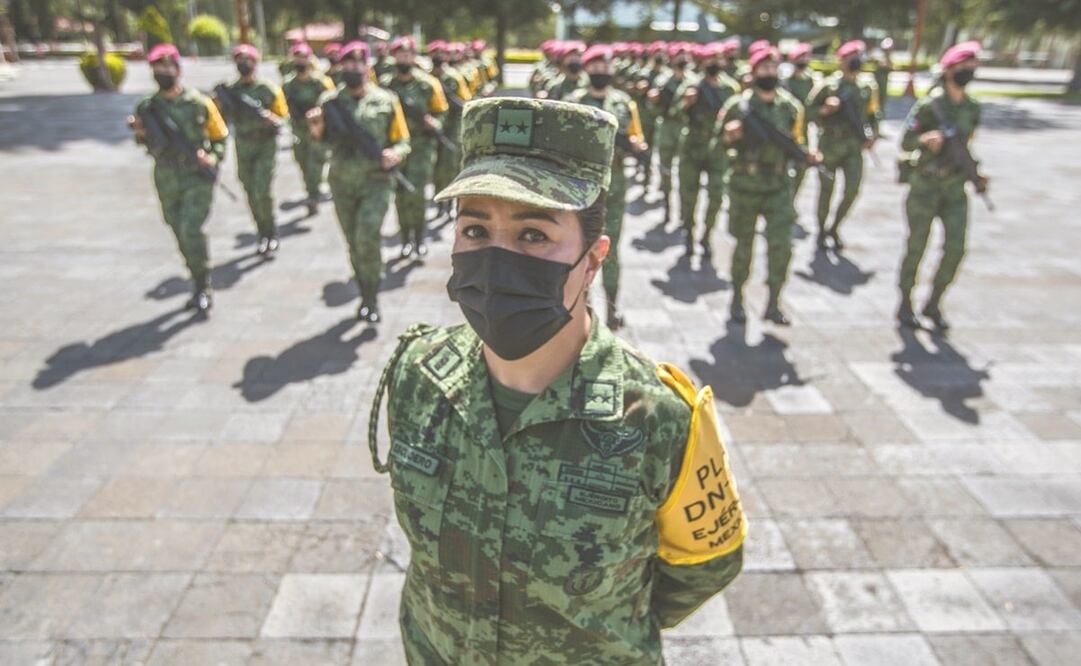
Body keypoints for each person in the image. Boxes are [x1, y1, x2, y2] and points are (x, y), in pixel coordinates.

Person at [368, 95, 745, 664]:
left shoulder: (659, 419)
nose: (496, 260)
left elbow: (705, 564)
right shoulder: (418, 376)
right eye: (475, 229)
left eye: (534, 235)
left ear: (594, 258)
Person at [306, 41, 411, 323]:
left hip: (375, 182)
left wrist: (395, 154)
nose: (353, 68)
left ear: (368, 66)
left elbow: (402, 141)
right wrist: (315, 132)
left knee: (367, 236)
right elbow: (319, 151)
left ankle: (373, 295)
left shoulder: (387, 100)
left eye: (358, 62)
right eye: (347, 63)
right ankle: (364, 292)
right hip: (342, 183)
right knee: (353, 241)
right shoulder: (329, 103)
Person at [719, 47, 817, 325]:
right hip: (744, 186)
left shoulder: (790, 107)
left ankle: (773, 302)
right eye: (764, 69)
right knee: (743, 246)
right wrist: (729, 137)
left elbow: (798, 145)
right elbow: (719, 146)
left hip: (777, 187)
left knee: (781, 247)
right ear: (753, 72)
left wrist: (807, 156)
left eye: (774, 68)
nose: (770, 74)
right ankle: (737, 298)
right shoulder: (737, 106)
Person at [128, 43, 228, 315]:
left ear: (178, 69)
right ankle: (196, 276)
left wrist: (213, 158)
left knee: (190, 228)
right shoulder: (147, 106)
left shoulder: (199, 103)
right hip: (166, 175)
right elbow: (145, 142)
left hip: (196, 176)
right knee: (176, 228)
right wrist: (139, 131)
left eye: (167, 66)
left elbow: (220, 138)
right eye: (157, 68)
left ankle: (202, 284)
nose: (162, 72)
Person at [897, 41, 988, 331]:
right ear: (949, 70)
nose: (969, 71)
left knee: (956, 248)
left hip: (954, 189)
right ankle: (905, 302)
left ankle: (934, 301)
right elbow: (906, 141)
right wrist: (925, 139)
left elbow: (964, 147)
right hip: (925, 185)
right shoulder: (930, 106)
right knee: (917, 247)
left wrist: (976, 174)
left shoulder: (972, 108)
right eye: (964, 66)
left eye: (973, 66)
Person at [570, 45, 648, 330]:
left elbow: (636, 135)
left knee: (610, 249)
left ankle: (612, 307)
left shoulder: (623, 103)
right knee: (579, 249)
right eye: (596, 67)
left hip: (613, 189)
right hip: (580, 190)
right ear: (587, 69)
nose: (602, 72)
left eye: (606, 67)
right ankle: (582, 306)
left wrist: (637, 146)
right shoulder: (574, 102)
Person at [805, 40, 880, 250]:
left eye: (859, 56)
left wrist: (873, 134)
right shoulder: (828, 87)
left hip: (853, 147)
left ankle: (834, 227)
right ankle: (821, 230)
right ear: (841, 61)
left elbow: (874, 114)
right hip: (829, 144)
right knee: (826, 190)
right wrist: (825, 110)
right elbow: (808, 112)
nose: (856, 61)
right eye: (851, 57)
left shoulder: (867, 87)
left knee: (852, 191)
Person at [216, 44, 288, 257]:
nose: (244, 63)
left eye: (248, 59)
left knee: (261, 189)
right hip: (244, 145)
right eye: (239, 59)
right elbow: (222, 119)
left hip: (265, 145)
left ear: (256, 63)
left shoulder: (268, 89)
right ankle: (261, 231)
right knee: (249, 190)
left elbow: (283, 117)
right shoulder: (231, 90)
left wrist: (269, 118)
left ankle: (271, 231)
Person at [382, 36, 449, 259]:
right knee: (400, 195)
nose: (404, 58)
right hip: (396, 148)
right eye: (400, 55)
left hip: (421, 147)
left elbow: (442, 113)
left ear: (414, 56)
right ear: (394, 57)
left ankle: (419, 238)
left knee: (417, 194)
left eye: (408, 55)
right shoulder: (385, 84)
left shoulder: (428, 84)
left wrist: (434, 123)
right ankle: (405, 240)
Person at [676, 41, 740, 260]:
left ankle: (706, 234)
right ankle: (689, 233)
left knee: (716, 196)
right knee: (688, 195)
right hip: (692, 147)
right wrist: (686, 102)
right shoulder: (691, 86)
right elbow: (674, 113)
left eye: (718, 59)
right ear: (703, 62)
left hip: (717, 150)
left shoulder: (730, 88)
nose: (715, 63)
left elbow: (738, 116)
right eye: (710, 59)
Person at [282, 42, 334, 215]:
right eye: (297, 57)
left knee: (315, 166)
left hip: (318, 132)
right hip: (299, 132)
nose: (300, 61)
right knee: (303, 164)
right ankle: (311, 191)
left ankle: (313, 196)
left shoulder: (321, 82)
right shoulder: (288, 84)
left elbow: (334, 104)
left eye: (303, 57)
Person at [428, 39, 474, 220]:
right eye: (435, 54)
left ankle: (449, 203)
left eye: (442, 53)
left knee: (449, 168)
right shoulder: (428, 78)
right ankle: (440, 203)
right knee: (436, 168)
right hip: (432, 129)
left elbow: (465, 103)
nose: (438, 57)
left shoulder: (454, 77)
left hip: (452, 129)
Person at [649, 42, 695, 223]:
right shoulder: (662, 81)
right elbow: (654, 111)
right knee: (665, 169)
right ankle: (667, 206)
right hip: (667, 129)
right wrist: (653, 101)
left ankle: (685, 214)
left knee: (686, 173)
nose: (683, 59)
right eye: (679, 56)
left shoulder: (694, 81)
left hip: (687, 130)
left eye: (685, 56)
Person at [782, 42, 816, 199]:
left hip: (802, 130)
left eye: (806, 57)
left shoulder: (811, 80)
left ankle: (791, 199)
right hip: (785, 129)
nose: (804, 61)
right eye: (801, 57)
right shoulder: (786, 81)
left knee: (802, 167)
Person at [875, 37, 894, 120]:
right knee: (878, 97)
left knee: (883, 98)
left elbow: (890, 67)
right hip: (879, 83)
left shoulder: (888, 59)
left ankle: (881, 112)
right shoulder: (880, 58)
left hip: (884, 83)